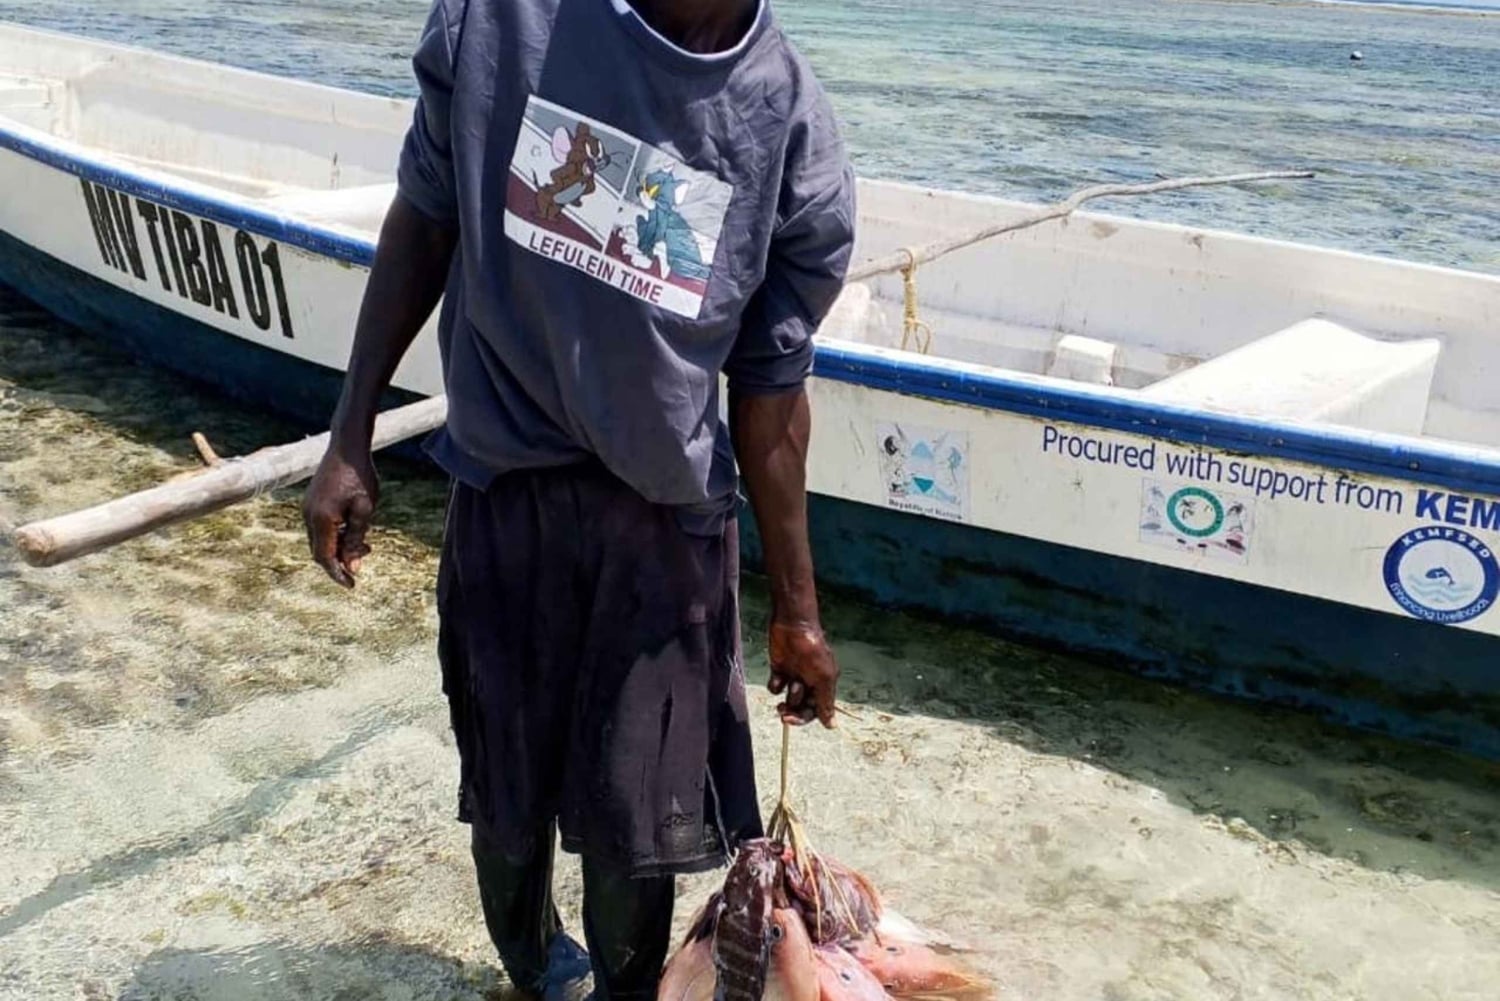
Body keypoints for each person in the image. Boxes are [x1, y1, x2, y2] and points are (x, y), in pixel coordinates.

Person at [301, 0, 856, 998]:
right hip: (506, 496)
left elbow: (772, 400)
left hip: (663, 533)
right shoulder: (501, 25)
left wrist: (801, 613)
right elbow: (425, 218)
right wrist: (350, 436)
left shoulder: (789, 130)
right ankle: (533, 969)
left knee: (634, 839)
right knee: (506, 809)